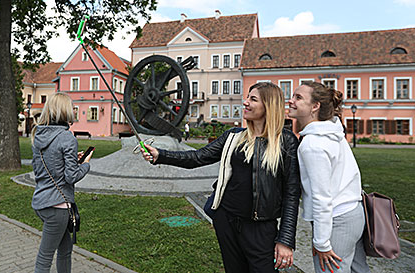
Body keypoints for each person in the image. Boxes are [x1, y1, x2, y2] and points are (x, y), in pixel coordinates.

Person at [143, 82, 301, 272]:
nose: (245, 102)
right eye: (247, 98)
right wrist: (161, 155)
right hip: (227, 222)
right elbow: (197, 157)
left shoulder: (286, 141)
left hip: (261, 229)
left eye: (253, 99)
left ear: (268, 105)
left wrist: (285, 239)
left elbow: (292, 194)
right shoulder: (233, 137)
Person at [287, 81, 370, 273]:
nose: (290, 101)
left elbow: (322, 197)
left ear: (315, 106)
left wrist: (322, 242)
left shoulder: (313, 145)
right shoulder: (333, 132)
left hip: (337, 221)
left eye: (298, 98)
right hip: (354, 214)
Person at [31, 92, 93, 273]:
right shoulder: (67, 137)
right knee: (45, 257)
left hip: (42, 202)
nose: (74, 110)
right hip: (57, 206)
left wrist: (73, 159)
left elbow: (40, 169)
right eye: (72, 107)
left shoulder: (38, 136)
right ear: (65, 110)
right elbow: (71, 176)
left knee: (65, 250)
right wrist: (86, 165)